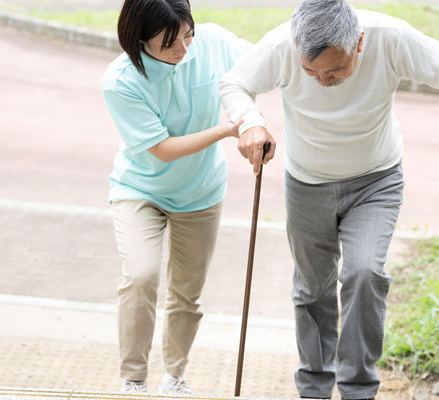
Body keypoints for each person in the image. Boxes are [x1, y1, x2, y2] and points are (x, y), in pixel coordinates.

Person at [219, 0, 439, 399]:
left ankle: (358, 388)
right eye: (310, 71)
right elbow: (234, 83)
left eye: (334, 70)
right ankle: (313, 386)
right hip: (306, 183)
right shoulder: (283, 44)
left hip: (375, 182)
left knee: (364, 274)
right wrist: (252, 121)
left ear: (359, 43)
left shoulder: (388, 38)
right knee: (312, 289)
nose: (322, 81)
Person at [102, 0, 250, 395]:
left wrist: (255, 120)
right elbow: (164, 149)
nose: (183, 50)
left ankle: (175, 376)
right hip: (141, 189)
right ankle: (134, 378)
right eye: (169, 43)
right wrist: (226, 130)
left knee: (187, 293)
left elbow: (261, 66)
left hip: (201, 192)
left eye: (188, 35)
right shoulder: (121, 81)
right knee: (140, 276)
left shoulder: (213, 42)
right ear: (139, 40)